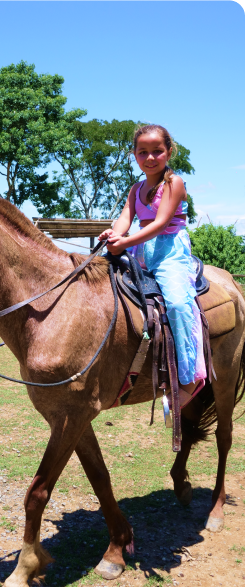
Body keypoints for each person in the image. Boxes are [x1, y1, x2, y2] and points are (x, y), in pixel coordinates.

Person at [99, 124, 206, 407]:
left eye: (157, 151)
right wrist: (114, 233)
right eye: (142, 152)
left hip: (169, 249)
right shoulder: (136, 188)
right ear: (134, 155)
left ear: (169, 152)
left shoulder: (174, 183)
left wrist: (124, 241)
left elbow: (159, 224)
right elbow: (125, 217)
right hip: (139, 246)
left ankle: (189, 377)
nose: (150, 157)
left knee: (178, 303)